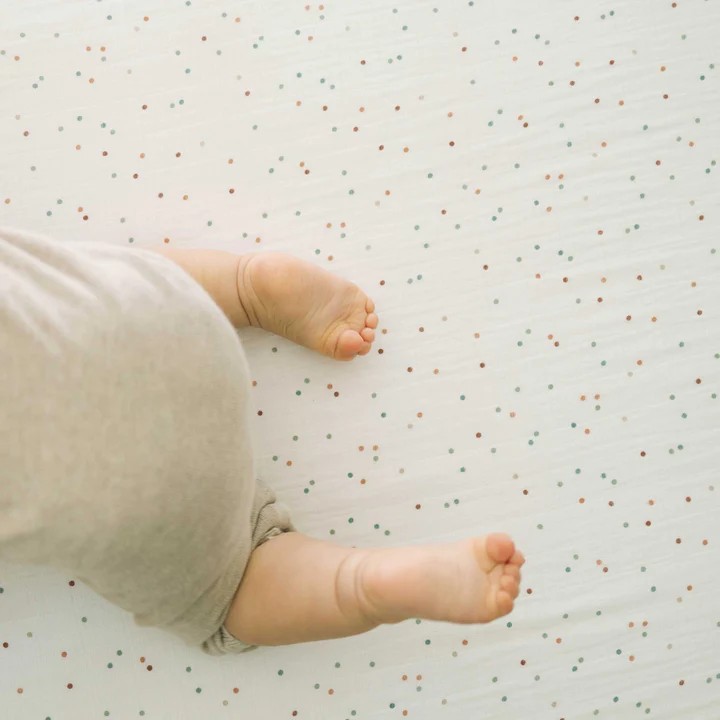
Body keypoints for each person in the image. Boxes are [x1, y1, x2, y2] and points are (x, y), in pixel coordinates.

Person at [0, 225, 525, 655]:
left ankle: (365, 582)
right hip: (159, 317)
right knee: (73, 284)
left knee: (242, 586)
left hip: (135, 491)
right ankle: (247, 286)